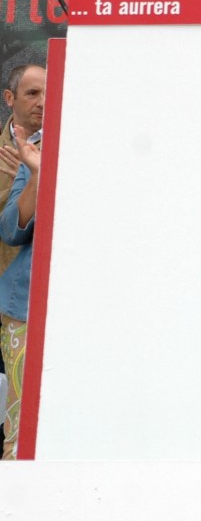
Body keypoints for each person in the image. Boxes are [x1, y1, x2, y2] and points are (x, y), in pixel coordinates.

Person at [0, 64, 44, 461]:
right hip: (21, 302)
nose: (43, 103)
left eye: (50, 92)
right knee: (19, 425)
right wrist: (31, 174)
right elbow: (11, 228)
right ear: (10, 98)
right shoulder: (25, 151)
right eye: (33, 93)